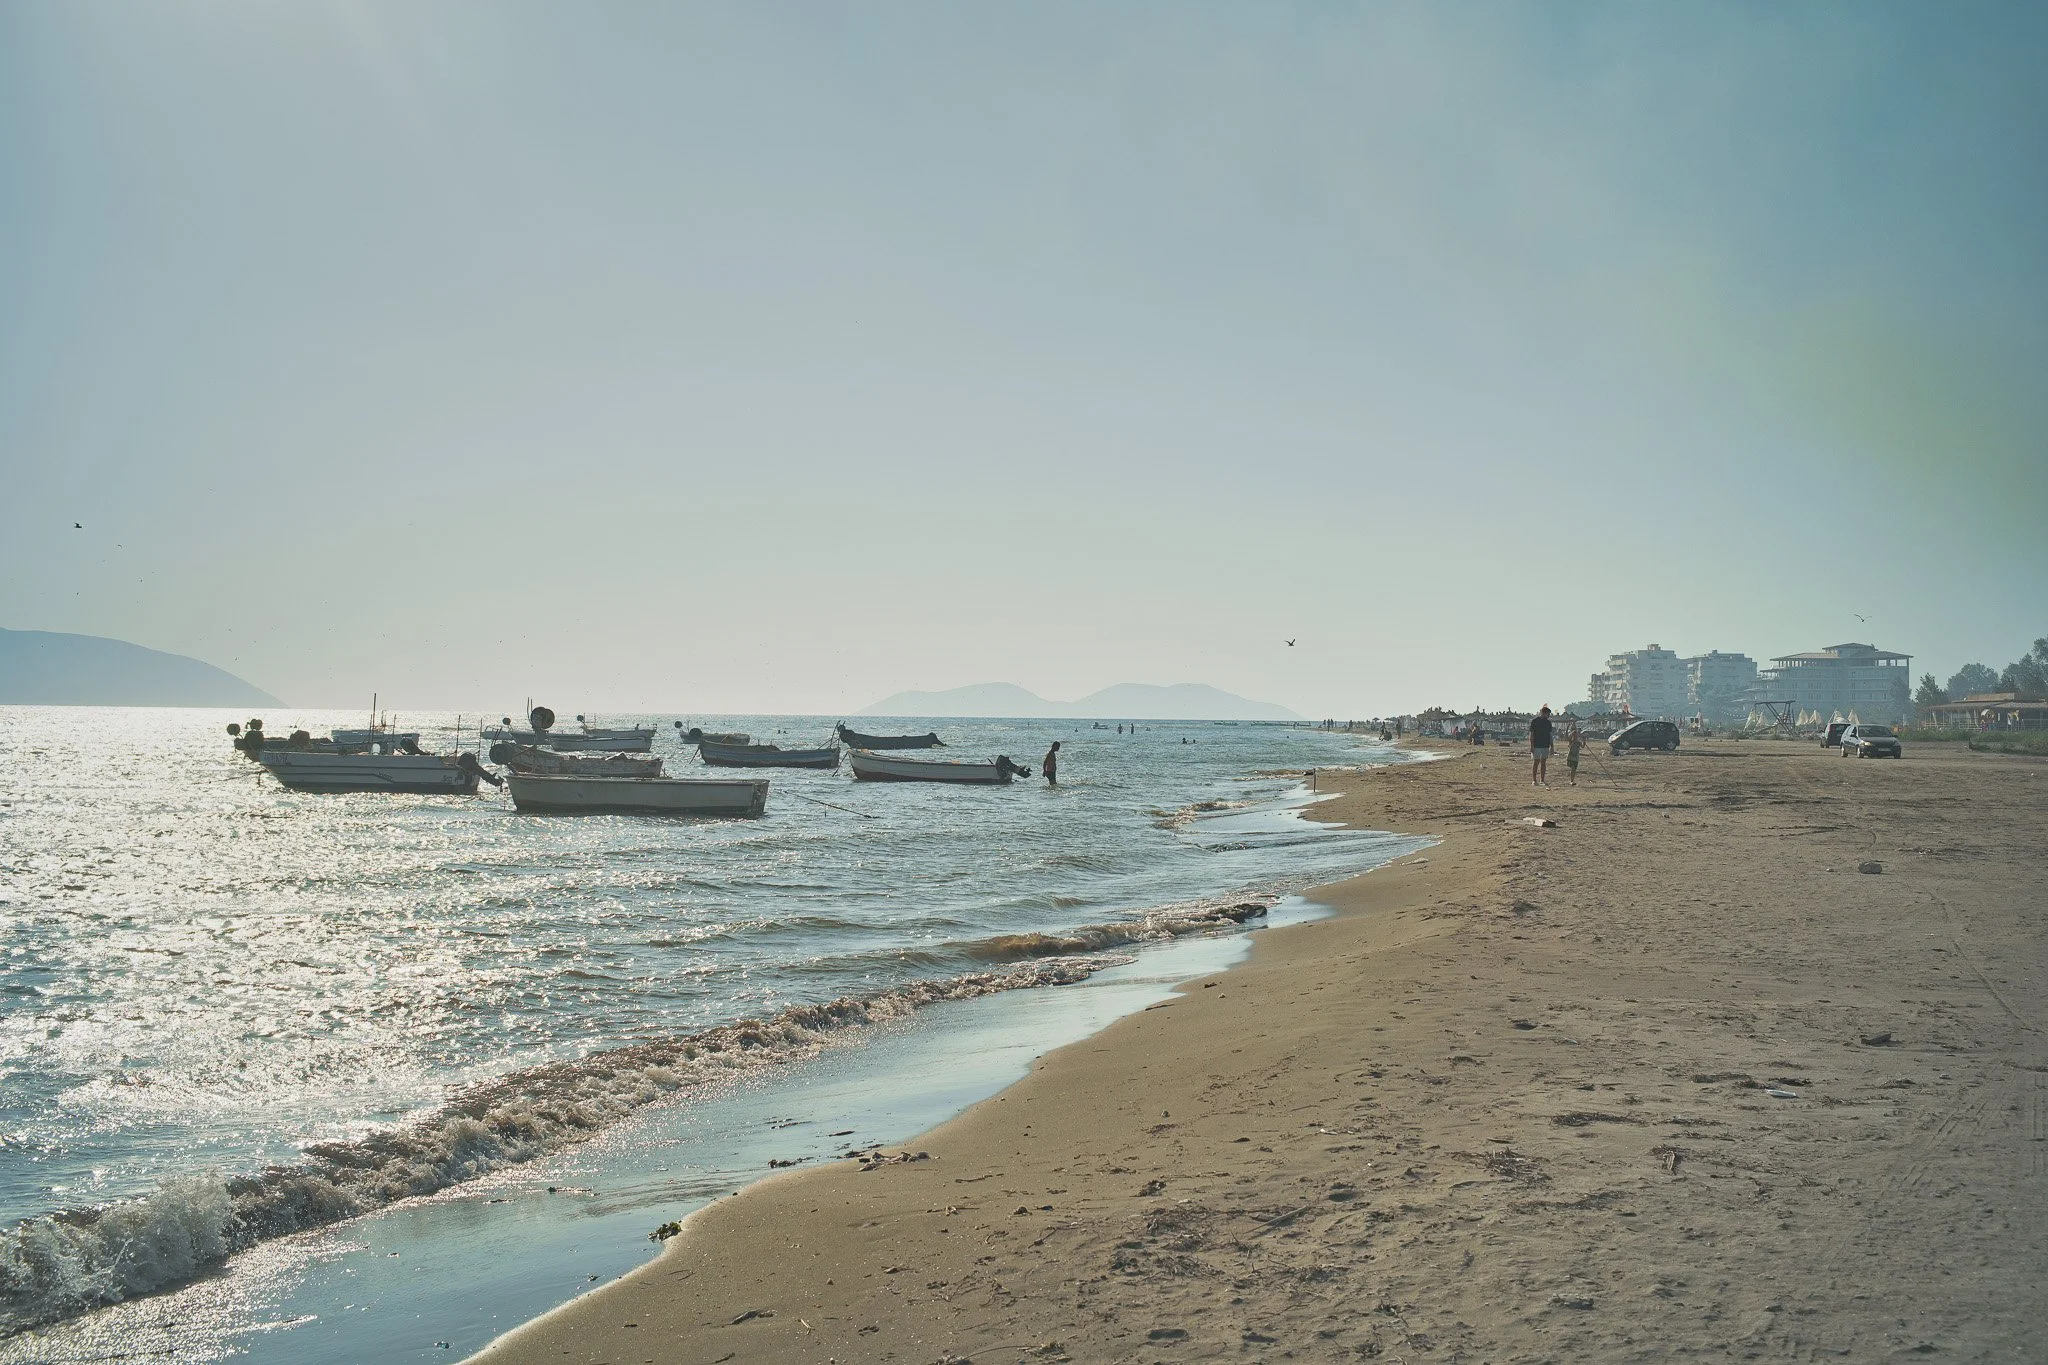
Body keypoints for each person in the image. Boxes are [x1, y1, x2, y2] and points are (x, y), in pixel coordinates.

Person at [1529, 706, 1555, 786]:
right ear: (1543, 713)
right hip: (1536, 745)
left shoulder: (1548, 723)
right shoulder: (1534, 721)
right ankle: (1534, 780)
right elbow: (1531, 734)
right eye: (1548, 714)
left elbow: (1550, 735)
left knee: (1543, 762)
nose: (1549, 715)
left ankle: (1542, 780)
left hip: (1545, 745)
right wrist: (1532, 746)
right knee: (1536, 762)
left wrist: (1552, 746)